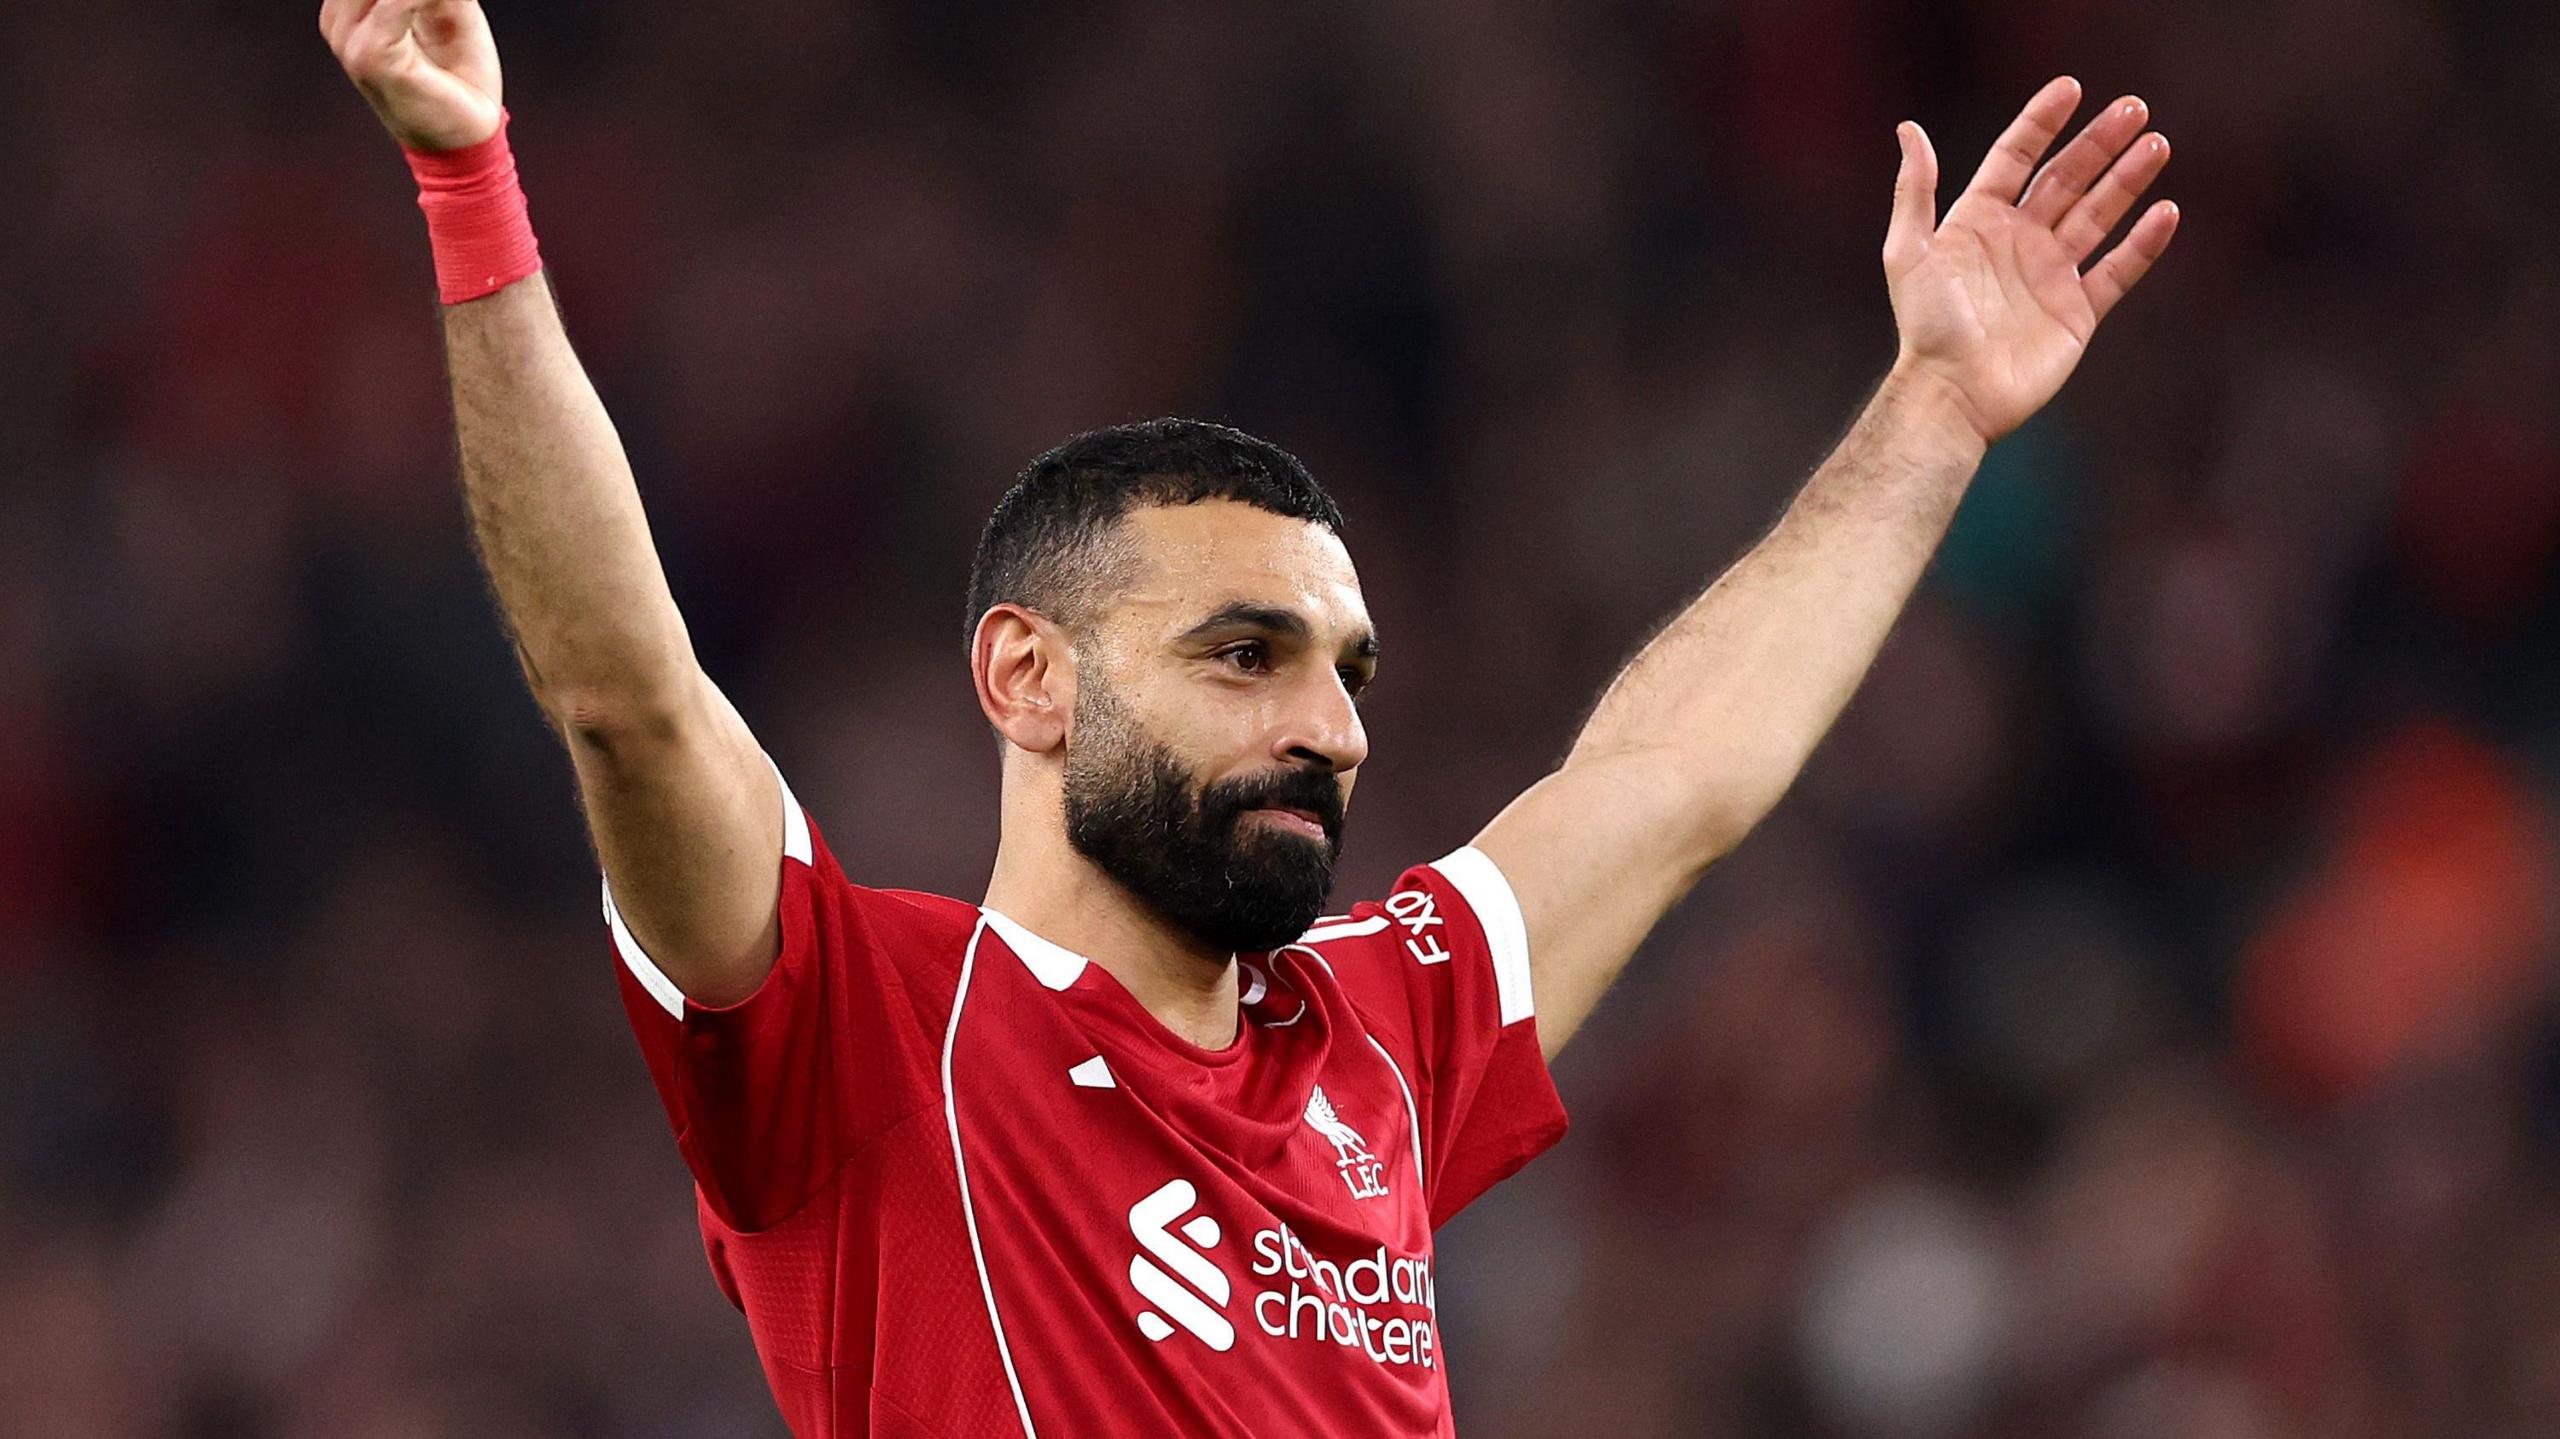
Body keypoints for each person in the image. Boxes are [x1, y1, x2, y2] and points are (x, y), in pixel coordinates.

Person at [317, 1, 2177, 1433]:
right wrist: (471, 185)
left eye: (1350, 670)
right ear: (1026, 678)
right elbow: (631, 701)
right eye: (1245, 655)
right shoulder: (861, 1036)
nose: (1333, 727)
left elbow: (1677, 774)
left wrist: (1932, 414)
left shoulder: (1383, 1031)